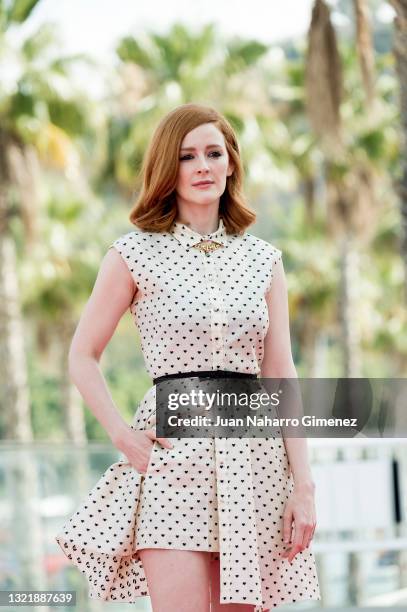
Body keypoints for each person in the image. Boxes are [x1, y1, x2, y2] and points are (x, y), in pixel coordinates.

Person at [56, 103, 321, 612]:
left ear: (230, 164)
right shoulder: (133, 254)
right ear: (166, 169)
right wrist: (122, 435)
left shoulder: (264, 260)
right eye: (186, 156)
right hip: (172, 462)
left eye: (213, 153)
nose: (202, 166)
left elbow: (281, 373)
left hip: (256, 462)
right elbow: (82, 355)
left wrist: (303, 483)